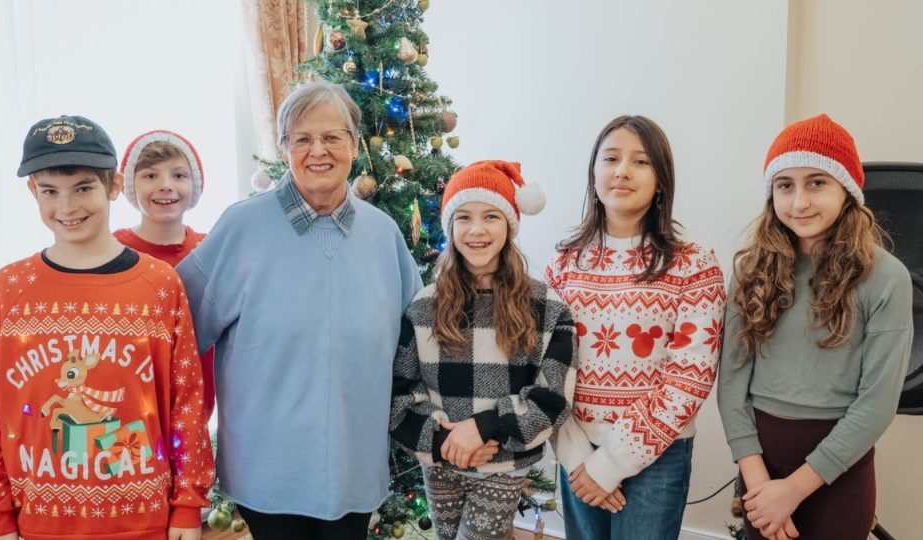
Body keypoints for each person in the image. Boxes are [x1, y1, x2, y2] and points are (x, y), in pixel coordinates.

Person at [176, 81, 423, 540]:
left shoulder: (383, 234)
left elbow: (422, 337)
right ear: (284, 147)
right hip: (267, 468)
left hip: (356, 464)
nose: (318, 151)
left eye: (332, 137)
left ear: (354, 144)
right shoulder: (242, 226)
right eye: (302, 139)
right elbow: (177, 330)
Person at [0, 115, 214, 540]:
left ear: (114, 187)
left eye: (83, 188)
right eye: (50, 192)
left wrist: (188, 505)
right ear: (33, 192)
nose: (66, 207)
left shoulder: (158, 284)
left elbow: (186, 403)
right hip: (38, 523)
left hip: (142, 519)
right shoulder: (8, 288)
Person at [718, 114, 912, 540]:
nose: (799, 201)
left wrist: (792, 490)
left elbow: (876, 404)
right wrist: (759, 483)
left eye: (817, 182)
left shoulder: (887, 278)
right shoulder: (750, 271)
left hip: (839, 474)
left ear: (847, 190)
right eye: (785, 185)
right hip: (761, 468)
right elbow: (731, 386)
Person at [545, 115, 726, 539]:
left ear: (661, 179)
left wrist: (611, 464)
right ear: (594, 173)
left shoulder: (693, 264)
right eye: (611, 158)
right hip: (576, 448)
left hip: (658, 457)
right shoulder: (564, 264)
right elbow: (546, 368)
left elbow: (690, 377)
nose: (622, 171)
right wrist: (578, 460)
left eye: (640, 162)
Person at [389, 160, 577, 540]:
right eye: (464, 218)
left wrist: (485, 427)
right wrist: (444, 442)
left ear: (509, 225)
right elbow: (399, 396)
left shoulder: (547, 308)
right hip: (440, 462)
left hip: (505, 462)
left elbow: (552, 397)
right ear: (450, 226)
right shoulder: (423, 307)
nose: (476, 230)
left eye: (491, 216)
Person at [113, 130, 214, 417]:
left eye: (179, 175)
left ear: (195, 185)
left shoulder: (210, 250)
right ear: (130, 185)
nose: (166, 186)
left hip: (195, 408)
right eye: (150, 176)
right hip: (128, 407)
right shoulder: (112, 250)